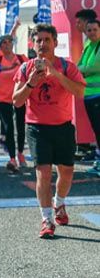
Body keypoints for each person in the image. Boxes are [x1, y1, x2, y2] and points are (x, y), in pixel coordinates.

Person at [12, 23, 86, 238]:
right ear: (32, 44)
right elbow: (16, 102)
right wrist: (31, 84)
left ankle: (59, 203)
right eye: (38, 40)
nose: (42, 44)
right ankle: (47, 219)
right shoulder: (25, 69)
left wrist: (55, 73)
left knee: (66, 171)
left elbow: (79, 92)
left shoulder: (67, 66)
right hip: (37, 128)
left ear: (55, 42)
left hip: (63, 127)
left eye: (47, 40)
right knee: (43, 174)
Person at [0, 34, 26, 173]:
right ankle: (12, 158)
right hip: (3, 99)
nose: (7, 45)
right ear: (0, 46)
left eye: (9, 42)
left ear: (13, 44)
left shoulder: (21, 59)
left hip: (20, 97)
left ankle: (20, 153)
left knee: (21, 127)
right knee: (8, 128)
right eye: (4, 43)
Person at [76, 11, 100, 176]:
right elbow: (81, 63)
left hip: (98, 94)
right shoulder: (88, 45)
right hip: (88, 94)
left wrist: (79, 71)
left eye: (94, 30)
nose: (91, 32)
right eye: (89, 30)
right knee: (96, 131)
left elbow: (93, 66)